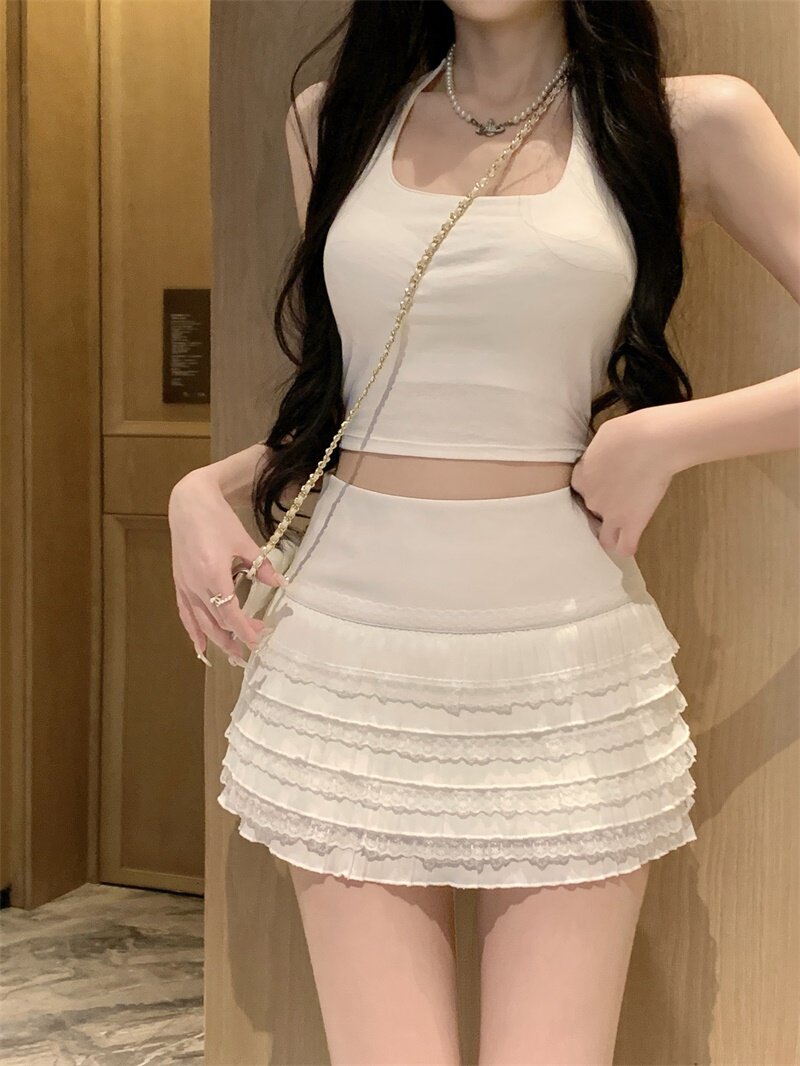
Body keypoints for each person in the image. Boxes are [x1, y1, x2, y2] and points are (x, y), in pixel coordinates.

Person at [168, 1, 800, 1062]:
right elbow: (355, 404)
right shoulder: (332, 119)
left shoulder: (686, 121)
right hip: (344, 659)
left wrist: (669, 437)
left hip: (559, 662)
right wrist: (204, 486)